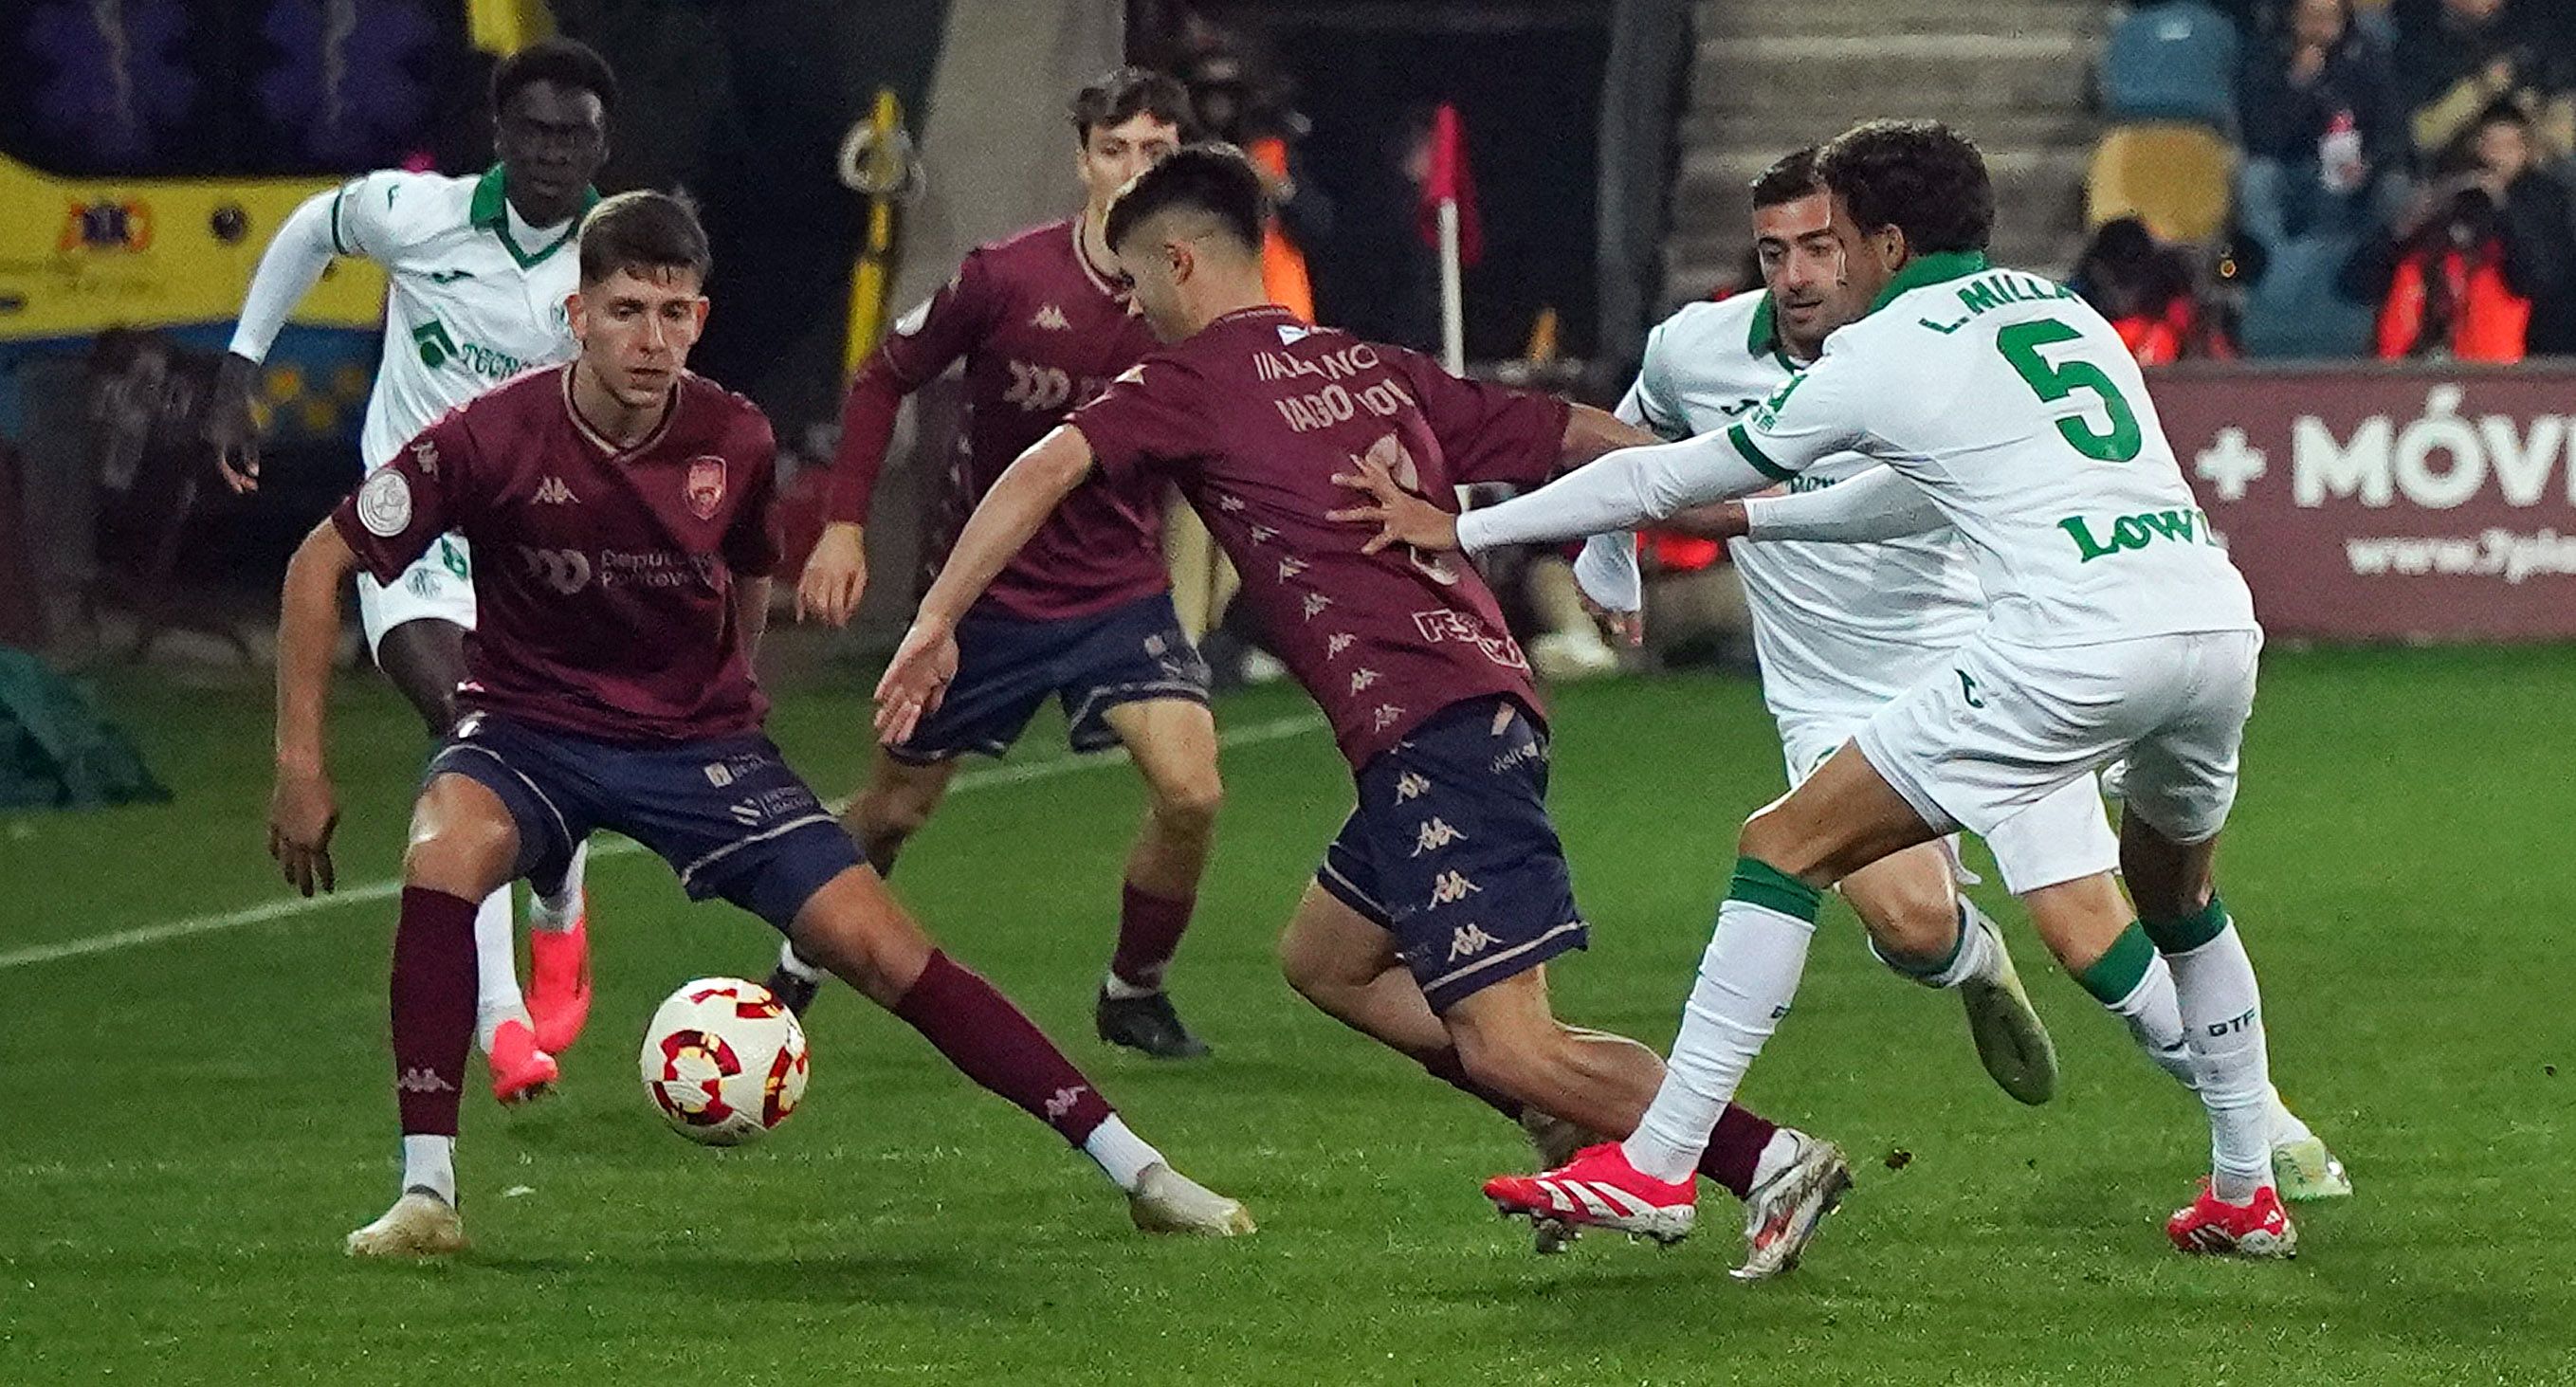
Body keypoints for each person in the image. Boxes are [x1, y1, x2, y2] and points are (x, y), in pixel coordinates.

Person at [875, 145, 1851, 1278]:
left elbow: (1042, 469)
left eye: (1137, 287)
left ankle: (1763, 1153)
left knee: (1515, 1038)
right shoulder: (1372, 365)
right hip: (1462, 708)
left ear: (1181, 262)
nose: (1133, 313)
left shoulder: (1189, 381)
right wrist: (1729, 478)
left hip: (1433, 726)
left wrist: (934, 617)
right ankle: (1555, 1115)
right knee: (1326, 958)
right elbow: (1566, 430)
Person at [1344, 120, 2301, 1258]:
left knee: (1780, 846)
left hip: (2065, 645)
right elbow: (1908, 494)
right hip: (2205, 617)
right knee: (2177, 899)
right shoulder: (2058, 308)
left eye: (1837, 237)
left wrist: (1462, 525)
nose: (1823, 265)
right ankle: (2247, 1185)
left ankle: (1656, 1167)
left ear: (1886, 241)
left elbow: (1666, 469)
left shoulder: (1882, 349)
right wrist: (1761, 519)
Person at [266, 191, 1252, 1257]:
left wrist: (731, 697)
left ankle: (1137, 1167)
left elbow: (746, 568)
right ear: (575, 314)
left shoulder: (732, 436)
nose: (651, 338)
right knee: (442, 850)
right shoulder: (493, 433)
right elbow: (318, 561)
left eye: (675, 312)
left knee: (881, 948)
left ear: (701, 317)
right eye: (627, 309)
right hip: (527, 731)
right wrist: (299, 763)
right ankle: (427, 1192)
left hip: (696, 745)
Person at [1629, 149, 2344, 1195]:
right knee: (1908, 923)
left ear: (1868, 245)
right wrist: (1605, 553)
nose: (1797, 275)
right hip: (1833, 693)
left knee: (2089, 925)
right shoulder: (1692, 350)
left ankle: (2261, 1124)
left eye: (1820, 247)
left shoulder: (1923, 343)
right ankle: (1970, 962)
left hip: (1990, 653)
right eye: (1773, 251)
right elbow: (1637, 434)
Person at [207, 38, 620, 1103]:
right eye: (533, 129)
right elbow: (312, 227)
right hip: (414, 534)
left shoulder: (613, 260)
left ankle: (560, 907)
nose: (550, 151)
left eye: (572, 134)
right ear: (500, 134)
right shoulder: (416, 212)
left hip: (539, 546)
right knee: (471, 726)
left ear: (599, 145)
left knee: (548, 756)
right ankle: (502, 1021)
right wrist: (242, 365)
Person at [785, 69, 1219, 1060]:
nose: (1134, 171)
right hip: (981, 598)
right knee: (894, 810)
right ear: (1082, 161)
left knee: (1191, 791)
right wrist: (843, 522)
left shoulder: (1196, 305)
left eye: (1155, 153)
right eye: (1116, 150)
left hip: (1117, 591)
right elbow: (882, 374)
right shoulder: (1005, 277)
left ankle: (1132, 989)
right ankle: (797, 964)